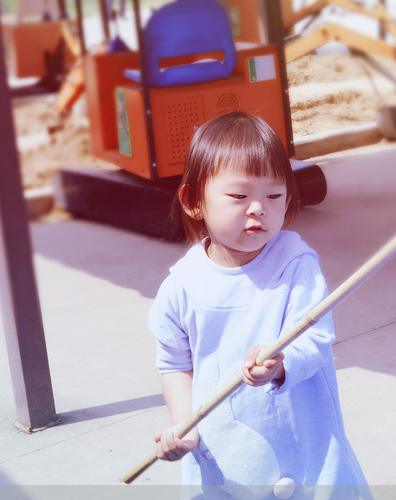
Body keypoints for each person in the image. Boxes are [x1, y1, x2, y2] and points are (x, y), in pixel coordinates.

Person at [148, 111, 370, 496]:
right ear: (193, 200)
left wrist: (281, 366)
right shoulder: (182, 286)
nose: (258, 208)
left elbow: (315, 338)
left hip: (303, 444)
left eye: (273, 195)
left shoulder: (295, 264)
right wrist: (184, 426)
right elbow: (175, 363)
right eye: (238, 195)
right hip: (226, 454)